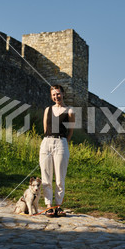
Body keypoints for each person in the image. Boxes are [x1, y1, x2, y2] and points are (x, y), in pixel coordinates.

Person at [39, 85, 75, 217]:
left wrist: (64, 142)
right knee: (46, 175)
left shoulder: (70, 111)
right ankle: (48, 205)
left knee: (60, 177)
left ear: (63, 94)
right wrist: (49, 140)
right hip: (46, 142)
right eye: (54, 95)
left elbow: (70, 131)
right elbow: (45, 128)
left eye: (58, 94)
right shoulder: (47, 110)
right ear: (51, 96)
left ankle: (58, 206)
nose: (56, 97)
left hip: (61, 143)